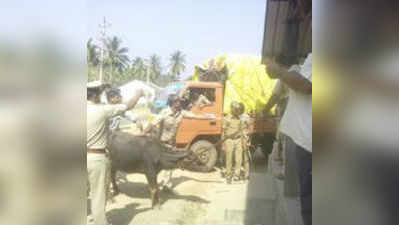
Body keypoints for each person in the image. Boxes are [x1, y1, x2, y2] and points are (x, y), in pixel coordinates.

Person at [87, 81, 143, 225]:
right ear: (96, 95)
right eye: (100, 93)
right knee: (98, 195)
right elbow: (128, 106)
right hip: (96, 157)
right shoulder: (101, 110)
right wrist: (138, 94)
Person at [266, 53, 312, 225]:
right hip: (302, 133)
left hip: (307, 139)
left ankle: (284, 171)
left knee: (309, 197)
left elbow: (306, 86)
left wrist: (279, 72)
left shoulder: (292, 71)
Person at [145, 94, 216, 191]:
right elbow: (152, 123)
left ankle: (166, 186)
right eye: (177, 101)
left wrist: (208, 117)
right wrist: (143, 133)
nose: (180, 103)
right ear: (172, 103)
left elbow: (194, 116)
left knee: (169, 165)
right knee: (156, 164)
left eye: (179, 101)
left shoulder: (182, 113)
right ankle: (152, 184)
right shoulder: (164, 113)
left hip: (171, 144)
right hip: (160, 143)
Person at [222, 101, 247, 184]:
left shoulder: (241, 118)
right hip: (229, 140)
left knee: (238, 159)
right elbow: (224, 131)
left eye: (238, 110)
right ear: (232, 110)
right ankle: (228, 175)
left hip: (238, 140)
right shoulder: (227, 118)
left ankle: (237, 175)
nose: (238, 112)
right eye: (236, 110)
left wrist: (244, 141)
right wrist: (223, 144)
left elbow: (243, 130)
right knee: (229, 158)